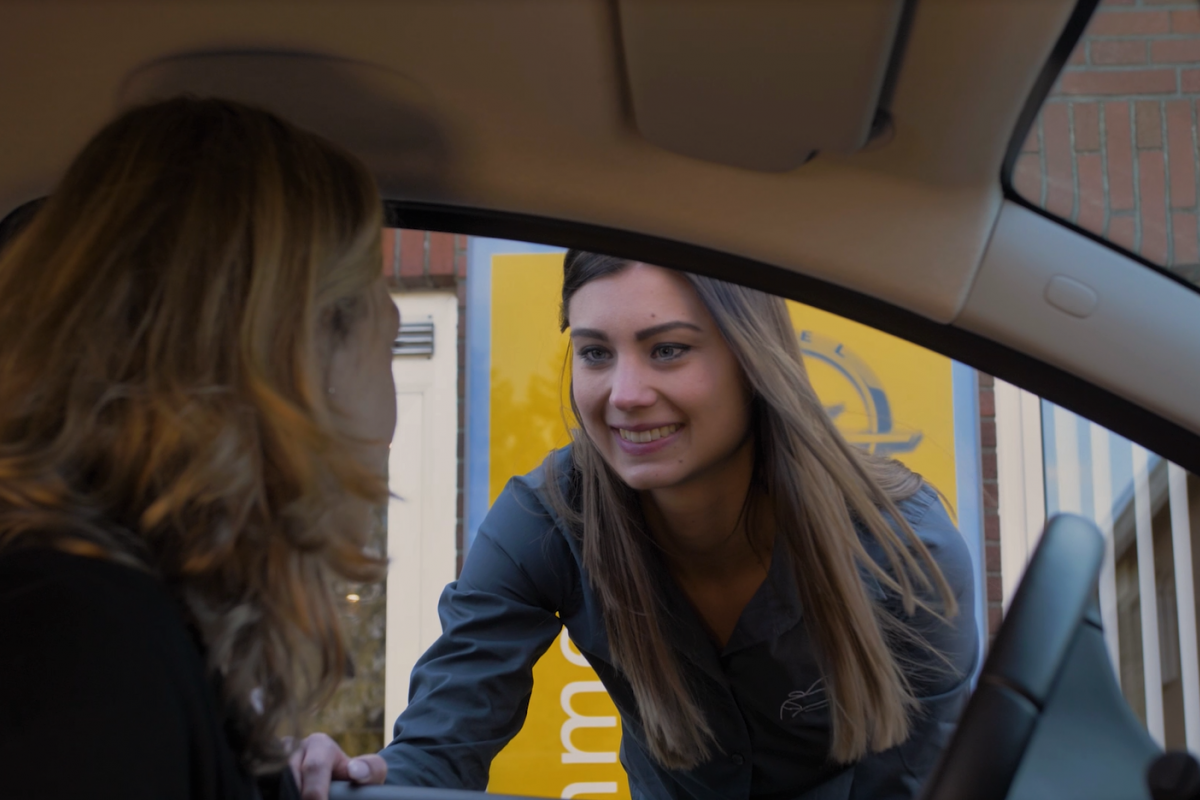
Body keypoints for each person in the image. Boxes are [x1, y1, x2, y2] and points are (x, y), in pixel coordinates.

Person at [300, 251, 979, 799]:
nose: (624, 395)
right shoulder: (547, 520)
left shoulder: (900, 545)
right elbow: (440, 750)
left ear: (752, 362)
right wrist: (357, 779)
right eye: (596, 353)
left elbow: (923, 783)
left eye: (667, 351)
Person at [0, 97, 400, 800]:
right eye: (385, 337)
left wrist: (260, 763)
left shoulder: (116, 624)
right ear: (299, 367)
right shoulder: (82, 649)